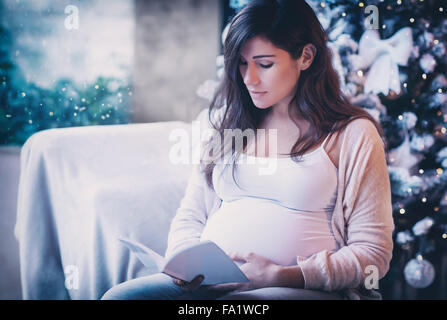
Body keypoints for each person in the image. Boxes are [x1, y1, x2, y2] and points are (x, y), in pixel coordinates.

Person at [101, 0, 394, 300]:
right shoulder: (227, 123)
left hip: (298, 289)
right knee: (120, 298)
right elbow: (191, 215)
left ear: (305, 57)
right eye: (242, 63)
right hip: (209, 284)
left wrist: (282, 275)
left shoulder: (352, 134)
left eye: (265, 64)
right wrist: (184, 264)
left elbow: (373, 253)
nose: (249, 78)